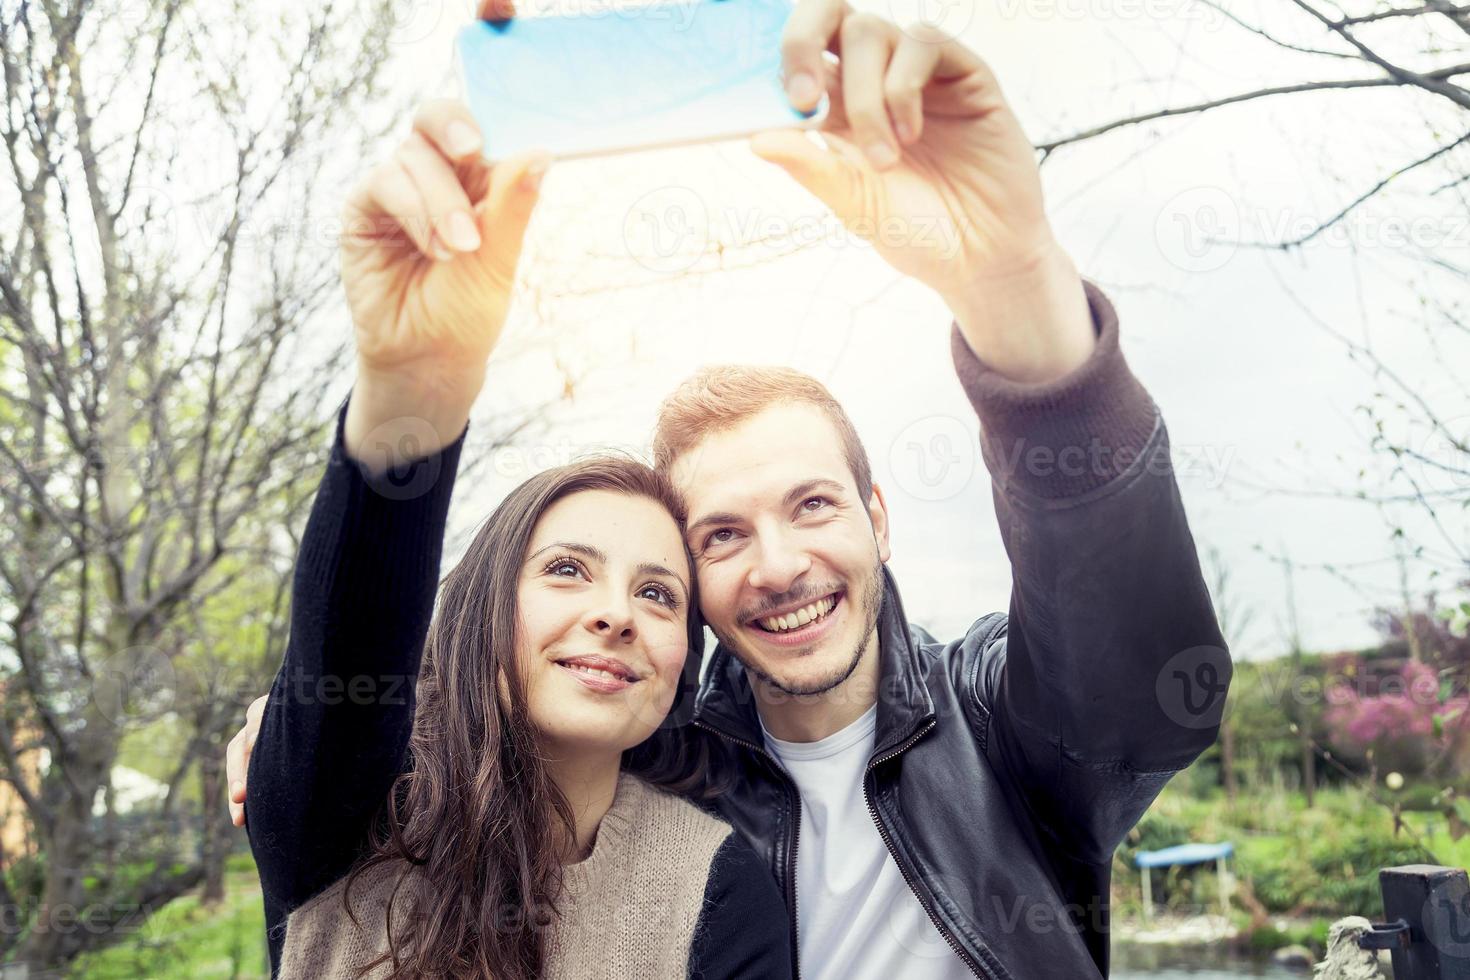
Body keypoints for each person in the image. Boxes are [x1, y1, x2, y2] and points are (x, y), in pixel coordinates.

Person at [230, 0, 1234, 976]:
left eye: (812, 504)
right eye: (718, 536)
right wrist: (307, 717)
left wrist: (1011, 283)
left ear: (877, 518)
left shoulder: (1001, 720)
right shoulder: (657, 756)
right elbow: (435, 718)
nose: (781, 561)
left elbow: (1146, 681)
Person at [240, 81, 791, 980]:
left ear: (683, 660)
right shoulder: (342, 805)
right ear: (485, 609)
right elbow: (347, 647)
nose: (615, 613)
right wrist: (414, 398)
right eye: (568, 570)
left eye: (658, 593)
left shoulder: (718, 889)